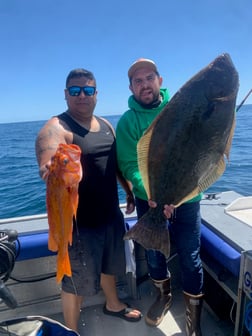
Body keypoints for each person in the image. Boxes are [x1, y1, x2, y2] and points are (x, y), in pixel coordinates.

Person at [35, 68, 143, 332]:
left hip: (109, 214)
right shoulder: (56, 128)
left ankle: (114, 304)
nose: (81, 95)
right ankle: (70, 330)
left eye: (88, 90)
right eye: (75, 90)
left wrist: (128, 191)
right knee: (74, 282)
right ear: (66, 94)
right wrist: (50, 167)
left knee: (111, 265)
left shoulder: (106, 125)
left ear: (96, 94)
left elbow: (114, 164)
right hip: (77, 225)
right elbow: (48, 160)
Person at [116, 58, 204, 336]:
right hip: (149, 199)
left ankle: (193, 322)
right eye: (138, 81)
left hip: (187, 197)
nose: (145, 85)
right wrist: (153, 194)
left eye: (149, 78)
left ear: (160, 81)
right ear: (131, 87)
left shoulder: (180, 108)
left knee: (191, 257)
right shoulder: (128, 122)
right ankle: (163, 297)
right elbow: (129, 164)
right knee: (154, 254)